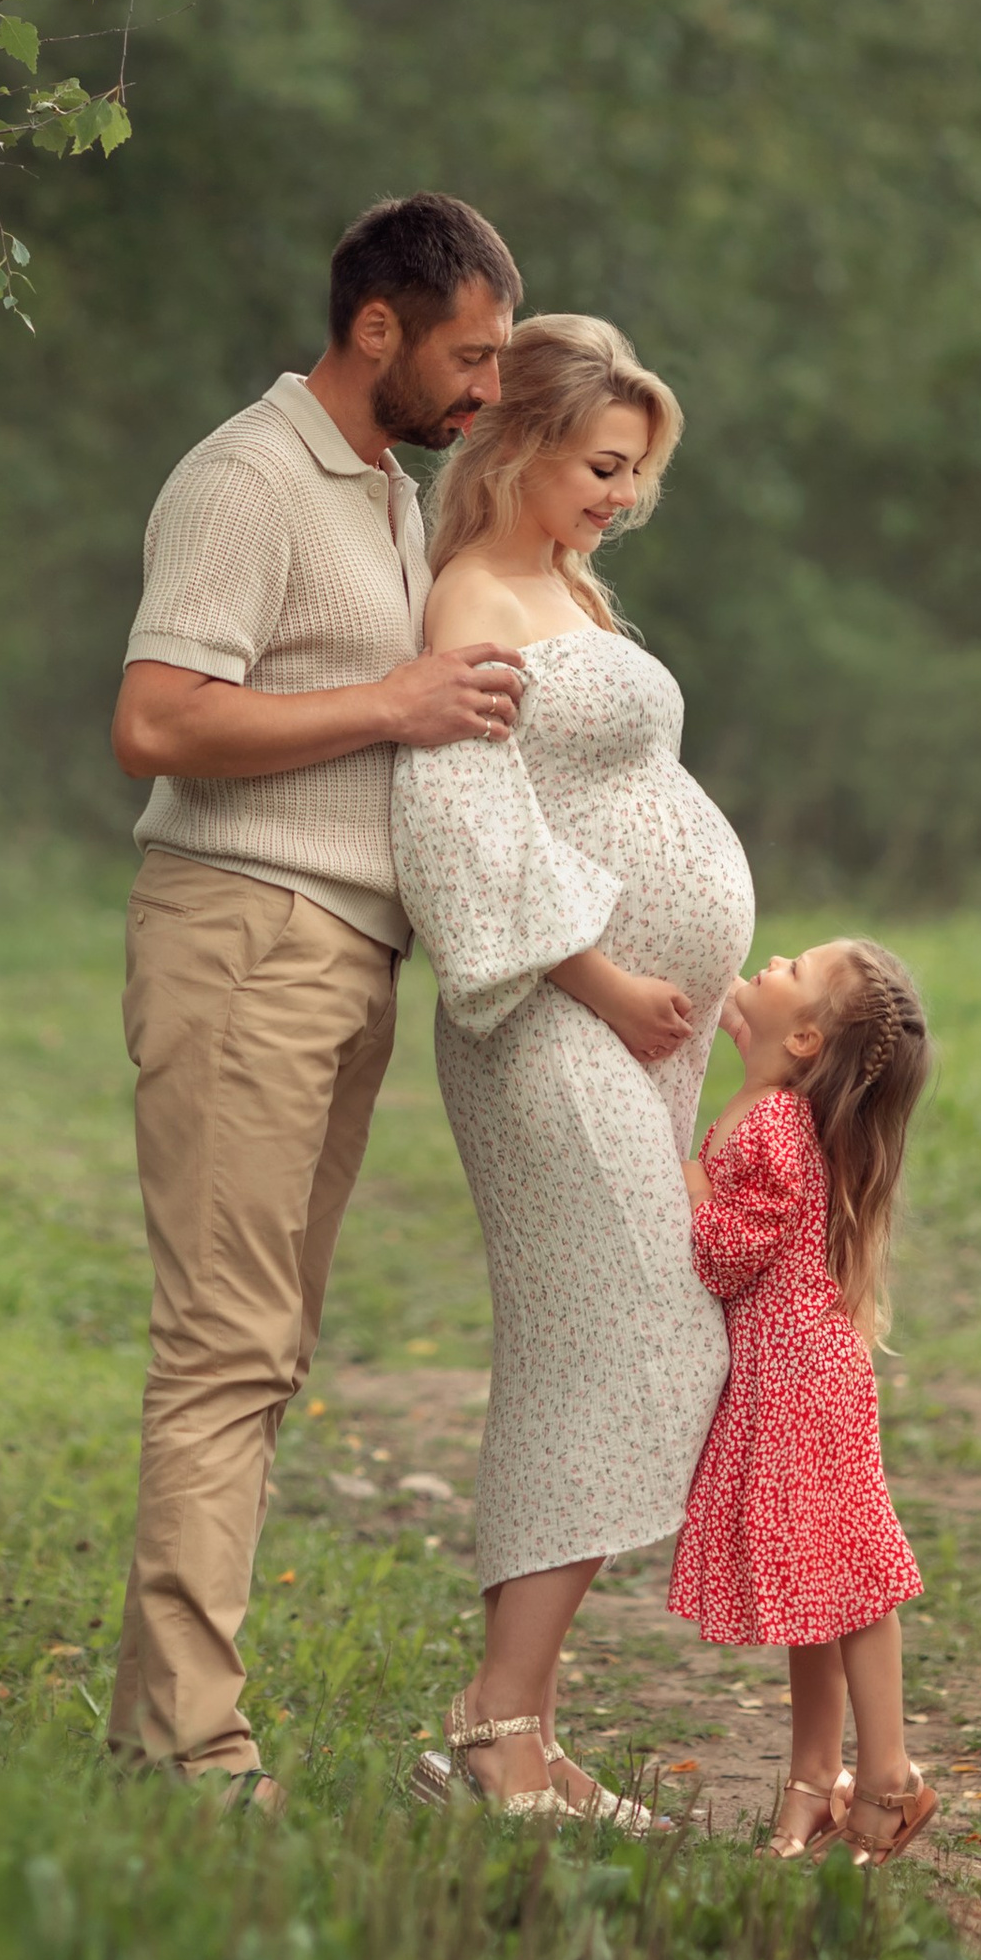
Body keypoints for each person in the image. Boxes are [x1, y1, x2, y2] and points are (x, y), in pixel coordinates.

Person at [105, 190, 528, 1803]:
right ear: (377, 329)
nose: (482, 391)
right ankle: (186, 1752)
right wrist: (396, 700)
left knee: (266, 1349)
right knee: (223, 1347)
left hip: (341, 954)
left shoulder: (380, 492)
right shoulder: (246, 479)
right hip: (241, 937)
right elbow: (156, 720)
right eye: (468, 356)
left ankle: (177, 1723)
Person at [392, 314, 748, 1826]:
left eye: (635, 473)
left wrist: (718, 976)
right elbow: (462, 820)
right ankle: (494, 1726)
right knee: (636, 1331)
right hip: (543, 1021)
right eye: (603, 464)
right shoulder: (471, 596)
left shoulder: (567, 587)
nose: (620, 494)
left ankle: (516, 1732)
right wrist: (603, 975)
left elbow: (620, 795)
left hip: (629, 1037)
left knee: (610, 1343)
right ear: (522, 440)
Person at [668, 940, 937, 1864]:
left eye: (796, 966)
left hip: (802, 1384)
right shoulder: (769, 1106)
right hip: (787, 1378)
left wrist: (687, 1183)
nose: (774, 956)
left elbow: (726, 1255)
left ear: (807, 1037)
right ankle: (814, 1788)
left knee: (849, 1582)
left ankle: (892, 1776)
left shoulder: (775, 1125)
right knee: (814, 1592)